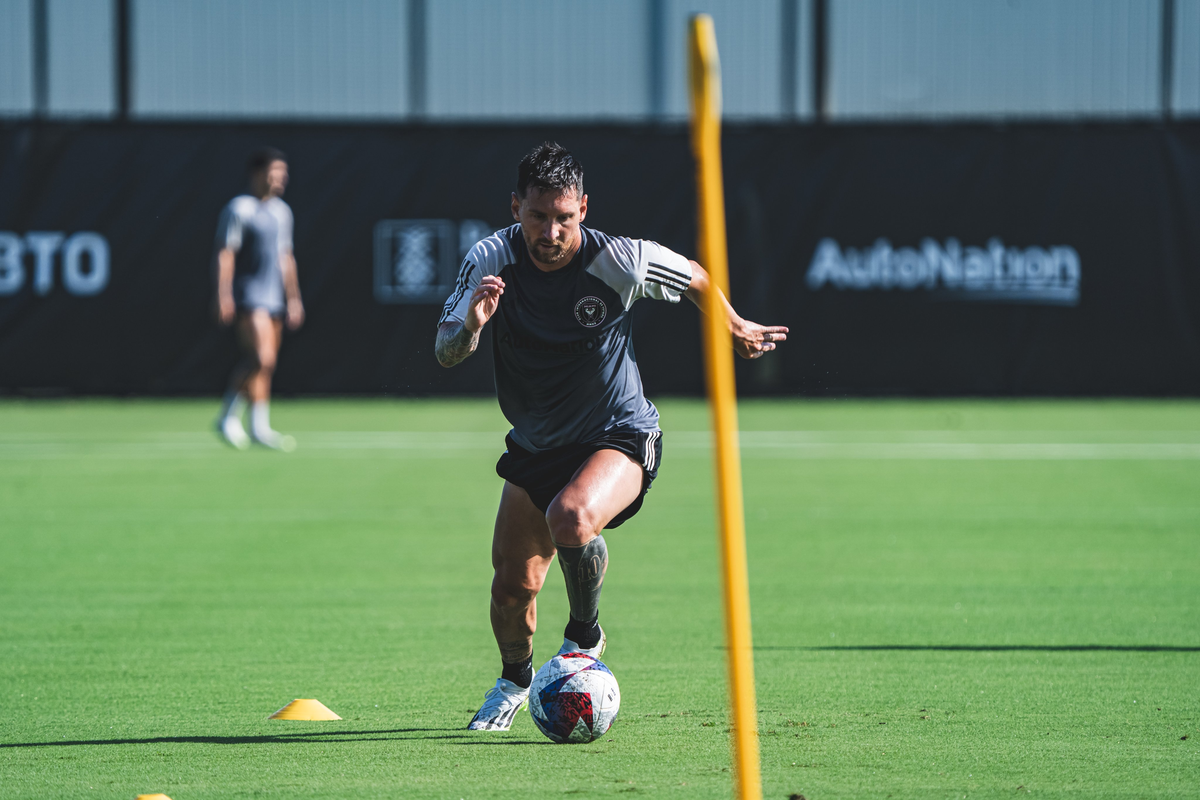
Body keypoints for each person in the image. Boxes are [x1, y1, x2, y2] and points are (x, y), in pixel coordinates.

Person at [435, 142, 788, 731]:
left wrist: (734, 326)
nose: (550, 231)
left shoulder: (618, 260)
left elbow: (696, 276)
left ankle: (583, 638)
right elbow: (445, 351)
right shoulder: (489, 258)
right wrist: (471, 327)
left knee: (572, 517)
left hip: (617, 432)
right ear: (516, 206)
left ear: (584, 209)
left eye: (564, 218)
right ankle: (515, 681)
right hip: (535, 444)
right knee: (510, 589)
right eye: (538, 216)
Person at [213, 147, 304, 451]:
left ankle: (258, 428)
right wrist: (223, 294)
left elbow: (286, 257)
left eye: (283, 173)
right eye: (274, 172)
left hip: (274, 297)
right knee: (260, 358)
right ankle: (227, 416)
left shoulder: (282, 212)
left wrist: (294, 299)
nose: (280, 178)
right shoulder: (239, 209)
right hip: (248, 296)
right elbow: (226, 254)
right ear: (257, 173)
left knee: (267, 364)